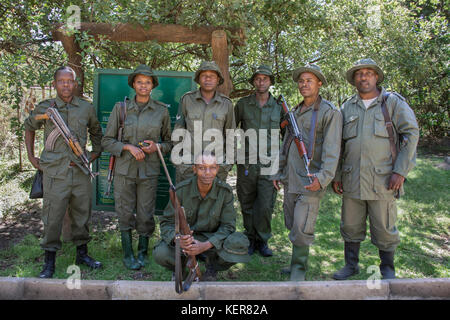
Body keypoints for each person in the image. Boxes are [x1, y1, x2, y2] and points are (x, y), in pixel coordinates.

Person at [332, 58, 419, 280]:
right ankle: (351, 265)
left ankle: (387, 268)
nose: (364, 77)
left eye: (368, 73)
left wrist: (400, 171)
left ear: (376, 77)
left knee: (384, 227)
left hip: (384, 179)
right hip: (352, 179)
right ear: (354, 80)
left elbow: (411, 133)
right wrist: (338, 175)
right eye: (359, 74)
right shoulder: (347, 107)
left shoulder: (392, 103)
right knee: (350, 225)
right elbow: (340, 145)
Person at [24, 66, 103, 278]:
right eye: (62, 81)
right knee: (52, 216)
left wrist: (93, 154)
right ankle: (49, 262)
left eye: (70, 81)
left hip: (79, 171)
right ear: (55, 84)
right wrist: (32, 158)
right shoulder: (46, 107)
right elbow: (29, 126)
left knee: (82, 214)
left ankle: (82, 255)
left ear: (75, 84)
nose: (66, 85)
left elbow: (96, 131)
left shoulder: (85, 108)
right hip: (55, 173)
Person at [272, 63, 342, 281]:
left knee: (303, 226)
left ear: (319, 83)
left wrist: (322, 179)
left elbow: (332, 150)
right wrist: (278, 171)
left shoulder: (329, 113)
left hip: (311, 179)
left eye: (309, 80)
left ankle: (299, 271)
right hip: (291, 177)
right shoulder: (294, 111)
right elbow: (286, 145)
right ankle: (295, 263)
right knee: (293, 223)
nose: (304, 84)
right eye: (301, 81)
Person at [102, 64, 172, 270]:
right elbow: (107, 141)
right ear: (133, 84)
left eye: (147, 82)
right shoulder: (120, 108)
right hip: (124, 170)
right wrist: (127, 147)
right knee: (124, 211)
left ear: (153, 86)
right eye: (139, 81)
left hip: (149, 171)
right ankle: (127, 253)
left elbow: (169, 142)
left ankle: (142, 252)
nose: (143, 85)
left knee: (145, 212)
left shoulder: (161, 111)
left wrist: (157, 146)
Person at [153, 151, 250, 281]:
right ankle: (181, 268)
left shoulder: (225, 192)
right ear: (194, 169)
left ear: (217, 169)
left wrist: (206, 245)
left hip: (211, 242)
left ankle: (212, 267)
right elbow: (167, 222)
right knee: (161, 253)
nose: (207, 173)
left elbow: (228, 226)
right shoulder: (181, 191)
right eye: (202, 168)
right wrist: (178, 239)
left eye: (212, 168)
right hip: (185, 243)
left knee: (237, 245)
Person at [234, 65, 283, 257]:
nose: (261, 82)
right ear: (254, 82)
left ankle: (262, 240)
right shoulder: (243, 104)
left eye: (265, 79)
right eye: (258, 79)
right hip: (246, 162)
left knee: (264, 205)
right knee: (246, 202)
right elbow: (231, 129)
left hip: (270, 164)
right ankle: (249, 238)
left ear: (270, 82)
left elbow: (287, 138)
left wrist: (282, 167)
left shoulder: (279, 107)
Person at [173, 61, 235, 183]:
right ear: (198, 79)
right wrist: (179, 161)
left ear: (218, 80)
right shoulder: (187, 100)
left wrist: (227, 164)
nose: (208, 79)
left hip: (216, 166)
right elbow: (178, 132)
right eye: (204, 75)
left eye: (212, 76)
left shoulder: (226, 104)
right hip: (189, 164)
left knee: (214, 201)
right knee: (186, 201)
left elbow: (231, 136)